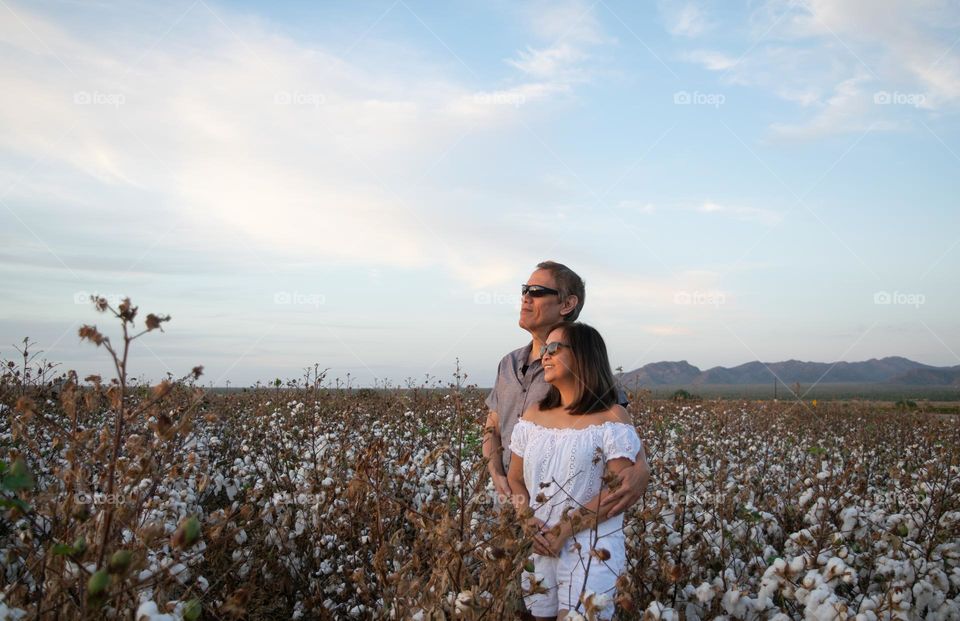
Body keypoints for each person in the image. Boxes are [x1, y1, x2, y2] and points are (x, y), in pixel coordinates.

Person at [508, 321, 648, 620]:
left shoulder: (611, 415)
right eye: (543, 349)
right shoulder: (533, 414)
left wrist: (565, 530)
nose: (544, 355)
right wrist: (526, 522)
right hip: (540, 541)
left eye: (554, 348)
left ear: (584, 355)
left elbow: (619, 490)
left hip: (593, 547)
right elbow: (515, 479)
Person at [482, 261, 646, 516]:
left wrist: (642, 467)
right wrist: (497, 476)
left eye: (536, 291)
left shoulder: (580, 370)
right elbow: (491, 427)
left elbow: (620, 433)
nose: (525, 297)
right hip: (507, 505)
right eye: (524, 290)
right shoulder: (508, 364)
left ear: (567, 304)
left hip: (561, 517)